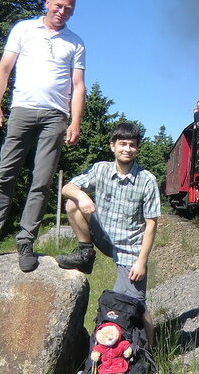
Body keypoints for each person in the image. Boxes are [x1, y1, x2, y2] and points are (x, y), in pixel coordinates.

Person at [0, 0, 86, 275]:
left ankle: (25, 241)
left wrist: (75, 121)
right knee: (5, 174)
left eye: (68, 8)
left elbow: (78, 85)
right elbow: (4, 68)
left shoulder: (75, 43)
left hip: (56, 116)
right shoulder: (23, 29)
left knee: (41, 181)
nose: (61, 11)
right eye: (58, 5)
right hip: (22, 110)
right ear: (47, 3)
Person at [55, 122, 160, 345]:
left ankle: (150, 351)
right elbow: (66, 188)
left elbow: (151, 225)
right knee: (72, 203)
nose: (127, 149)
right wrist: (83, 196)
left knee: (134, 303)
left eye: (132, 145)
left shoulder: (147, 180)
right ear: (112, 146)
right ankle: (85, 253)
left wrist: (141, 262)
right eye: (122, 144)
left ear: (137, 148)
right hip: (101, 235)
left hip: (129, 250)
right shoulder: (100, 169)